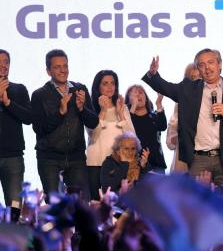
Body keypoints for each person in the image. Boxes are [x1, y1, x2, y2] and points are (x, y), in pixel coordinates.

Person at [142, 49, 223, 185]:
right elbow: (166, 87)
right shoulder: (188, 89)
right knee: (196, 205)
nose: (207, 68)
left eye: (211, 62)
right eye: (202, 65)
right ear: (199, 69)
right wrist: (153, 75)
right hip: (198, 159)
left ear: (220, 65)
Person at [31, 49, 99, 202]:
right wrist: (60, 112)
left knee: (82, 207)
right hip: (49, 159)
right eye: (57, 67)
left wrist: (82, 109)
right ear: (48, 71)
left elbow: (93, 123)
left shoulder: (80, 89)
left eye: (65, 66)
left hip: (76, 157)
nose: (63, 70)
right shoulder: (39, 95)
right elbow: (39, 128)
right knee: (55, 209)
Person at [86, 70, 135, 200]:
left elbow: (132, 138)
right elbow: (93, 135)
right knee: (97, 204)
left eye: (113, 83)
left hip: (118, 163)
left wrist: (120, 114)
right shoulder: (90, 108)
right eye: (105, 83)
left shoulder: (122, 107)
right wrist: (103, 111)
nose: (110, 87)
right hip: (96, 162)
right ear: (98, 87)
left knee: (118, 205)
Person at [0, 49, 31, 211]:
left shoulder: (19, 89)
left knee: (15, 208)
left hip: (13, 157)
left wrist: (7, 103)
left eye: (6, 62)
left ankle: (14, 236)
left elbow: (28, 118)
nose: (3, 66)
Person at [167, 63, 201, 173]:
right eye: (192, 78)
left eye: (199, 77)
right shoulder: (180, 103)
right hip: (182, 162)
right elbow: (170, 143)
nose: (196, 81)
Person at [125, 84, 167, 173]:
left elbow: (163, 126)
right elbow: (127, 131)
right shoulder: (128, 119)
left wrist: (159, 103)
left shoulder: (154, 115)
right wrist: (133, 107)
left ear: (146, 97)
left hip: (156, 165)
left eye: (140, 92)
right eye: (135, 93)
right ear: (129, 100)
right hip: (135, 164)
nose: (138, 95)